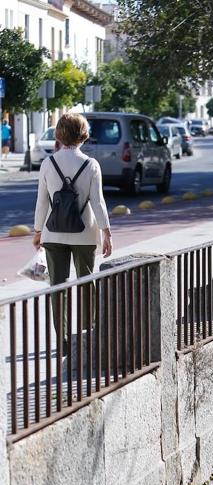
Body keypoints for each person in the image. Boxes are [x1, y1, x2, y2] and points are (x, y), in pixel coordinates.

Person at [33, 113, 112, 355]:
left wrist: (38, 231)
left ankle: (64, 342)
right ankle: (88, 339)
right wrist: (107, 232)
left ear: (59, 134)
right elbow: (97, 203)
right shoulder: (91, 165)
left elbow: (42, 203)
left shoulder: (48, 163)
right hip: (85, 234)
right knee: (87, 282)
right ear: (83, 135)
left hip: (53, 234)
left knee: (58, 287)